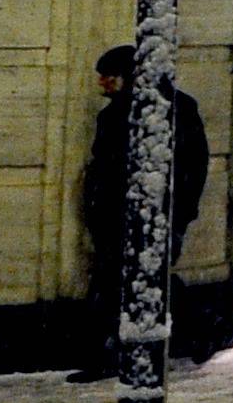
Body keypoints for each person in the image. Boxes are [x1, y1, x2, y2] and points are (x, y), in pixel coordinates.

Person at [75, 45, 210, 380]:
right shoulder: (113, 115)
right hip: (118, 213)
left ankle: (105, 355)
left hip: (154, 212)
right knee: (127, 279)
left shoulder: (173, 109)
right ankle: (196, 333)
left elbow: (192, 166)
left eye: (110, 76)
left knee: (141, 279)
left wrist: (179, 212)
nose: (103, 83)